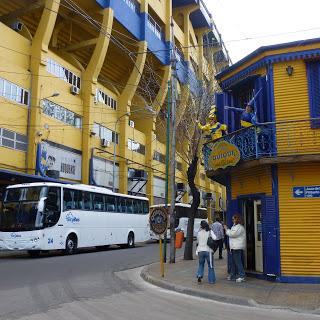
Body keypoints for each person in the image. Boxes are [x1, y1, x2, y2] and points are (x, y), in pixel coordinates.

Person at [224, 214, 246, 283]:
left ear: (237, 219)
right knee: (233, 262)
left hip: (237, 247)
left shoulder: (239, 227)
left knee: (238, 262)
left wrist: (226, 229)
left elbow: (233, 234)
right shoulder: (235, 226)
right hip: (234, 247)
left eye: (233, 219)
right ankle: (233, 275)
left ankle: (242, 276)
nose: (232, 220)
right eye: (232, 219)